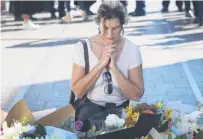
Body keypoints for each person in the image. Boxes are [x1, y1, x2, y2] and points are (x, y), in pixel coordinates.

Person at [71, 1, 144, 122]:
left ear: (122, 25)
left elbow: (136, 95)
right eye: (105, 28)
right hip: (90, 110)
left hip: (121, 111)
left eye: (115, 28)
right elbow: (78, 91)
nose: (110, 34)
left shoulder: (132, 50)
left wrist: (115, 68)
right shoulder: (83, 47)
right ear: (98, 23)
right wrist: (100, 65)